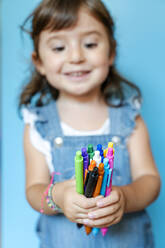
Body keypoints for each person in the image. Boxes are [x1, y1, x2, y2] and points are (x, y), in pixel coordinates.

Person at [19, 0, 161, 247]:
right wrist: (59, 196)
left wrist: (125, 198)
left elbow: (150, 181)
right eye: (59, 47)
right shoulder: (38, 125)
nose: (76, 57)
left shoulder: (130, 120)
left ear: (111, 52)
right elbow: (34, 191)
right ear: (39, 62)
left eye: (90, 44)